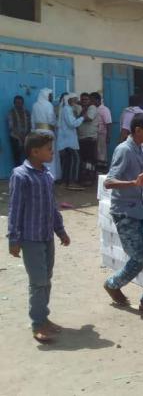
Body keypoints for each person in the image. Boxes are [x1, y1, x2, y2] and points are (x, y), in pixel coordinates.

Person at [7, 131, 71, 342]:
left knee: (46, 279)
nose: (52, 152)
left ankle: (43, 317)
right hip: (30, 238)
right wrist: (14, 239)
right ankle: (37, 324)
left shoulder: (47, 175)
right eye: (48, 149)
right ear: (35, 152)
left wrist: (60, 230)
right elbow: (15, 209)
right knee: (38, 282)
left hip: (46, 237)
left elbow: (52, 207)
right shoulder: (20, 175)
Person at [103, 113, 143, 312]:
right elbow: (109, 182)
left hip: (140, 209)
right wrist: (133, 183)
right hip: (125, 212)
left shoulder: (141, 148)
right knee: (141, 257)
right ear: (138, 130)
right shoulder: (124, 150)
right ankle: (113, 284)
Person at [56, 93, 85, 190]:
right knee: (76, 159)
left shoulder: (67, 109)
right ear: (69, 100)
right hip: (69, 139)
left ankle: (65, 181)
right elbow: (72, 124)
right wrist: (82, 118)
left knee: (68, 160)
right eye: (74, 99)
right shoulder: (67, 109)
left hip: (66, 139)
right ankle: (73, 182)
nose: (76, 101)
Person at [31, 88, 61, 180]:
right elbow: (51, 119)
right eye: (50, 96)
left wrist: (33, 130)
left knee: (39, 154)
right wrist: (57, 124)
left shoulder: (35, 105)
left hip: (37, 132)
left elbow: (32, 119)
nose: (51, 97)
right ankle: (50, 175)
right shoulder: (49, 105)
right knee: (49, 153)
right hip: (47, 132)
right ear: (46, 96)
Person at [77, 93, 99, 185]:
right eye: (82, 99)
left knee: (89, 160)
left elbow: (89, 118)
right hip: (82, 138)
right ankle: (85, 178)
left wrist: (78, 118)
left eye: (86, 99)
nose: (84, 101)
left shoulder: (92, 108)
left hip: (89, 138)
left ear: (90, 100)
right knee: (84, 159)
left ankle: (89, 179)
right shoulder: (82, 109)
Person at [8, 95, 31, 166]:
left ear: (23, 103)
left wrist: (25, 136)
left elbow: (30, 125)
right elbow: (11, 127)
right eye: (17, 103)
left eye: (20, 103)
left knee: (28, 157)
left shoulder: (27, 112)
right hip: (15, 137)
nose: (19, 105)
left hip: (26, 137)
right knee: (17, 158)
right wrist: (20, 136)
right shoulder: (11, 113)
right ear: (14, 103)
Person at [92, 92, 112, 173]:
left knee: (102, 154)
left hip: (102, 135)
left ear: (97, 100)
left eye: (92, 100)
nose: (91, 102)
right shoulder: (93, 109)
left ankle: (102, 171)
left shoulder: (104, 109)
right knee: (96, 153)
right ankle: (96, 171)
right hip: (94, 135)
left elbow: (108, 123)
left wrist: (108, 136)